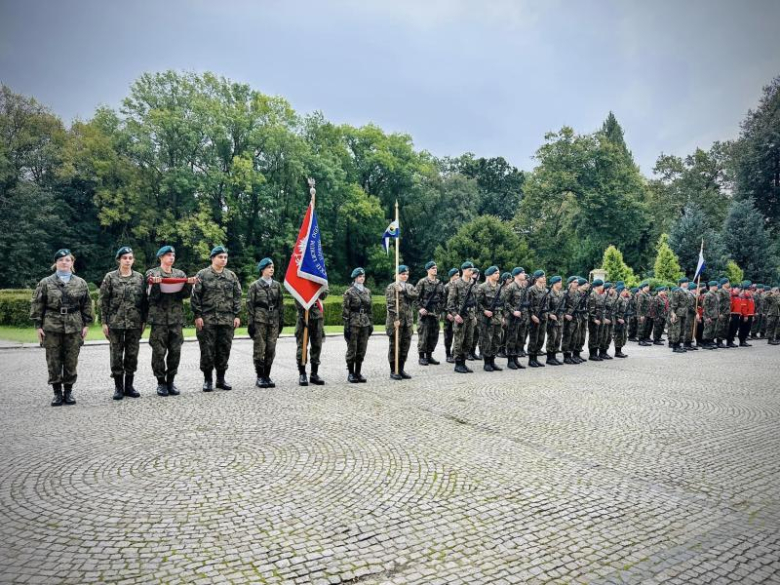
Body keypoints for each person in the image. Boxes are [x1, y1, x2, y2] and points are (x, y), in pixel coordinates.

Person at [30, 249, 94, 406]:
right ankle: (57, 393)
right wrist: (38, 326)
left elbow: (86, 304)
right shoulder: (45, 283)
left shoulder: (80, 283)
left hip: (74, 325)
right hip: (52, 326)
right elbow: (37, 304)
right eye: (60, 260)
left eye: (67, 260)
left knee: (71, 360)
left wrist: (86, 324)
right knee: (53, 360)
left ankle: (69, 392)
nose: (64, 262)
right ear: (55, 263)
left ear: (72, 263)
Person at [146, 245, 196, 396]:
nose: (171, 258)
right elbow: (151, 297)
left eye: (173, 255)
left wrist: (190, 283)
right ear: (161, 257)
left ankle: (171, 381)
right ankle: (161, 382)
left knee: (175, 351)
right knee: (159, 352)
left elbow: (184, 295)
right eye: (168, 255)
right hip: (159, 320)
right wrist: (155, 284)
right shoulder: (152, 273)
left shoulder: (179, 273)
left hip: (176, 320)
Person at [191, 246, 242, 392]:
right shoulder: (203, 274)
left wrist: (237, 315)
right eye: (220, 257)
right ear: (213, 258)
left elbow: (237, 296)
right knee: (207, 350)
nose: (223, 260)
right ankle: (208, 380)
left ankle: (221, 379)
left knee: (224, 349)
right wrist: (198, 315)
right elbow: (195, 297)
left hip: (227, 320)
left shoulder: (231, 276)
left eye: (225, 257)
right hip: (208, 320)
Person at [99, 246, 147, 400]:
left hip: (135, 323)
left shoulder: (140, 278)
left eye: (130, 258)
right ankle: (118, 388)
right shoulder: (110, 277)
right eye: (124, 258)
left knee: (132, 355)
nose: (127, 260)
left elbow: (145, 302)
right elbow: (103, 301)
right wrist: (104, 322)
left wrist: (144, 321)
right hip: (115, 323)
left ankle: (129, 386)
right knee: (116, 355)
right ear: (119, 260)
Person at [247, 258, 284, 388]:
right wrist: (250, 323)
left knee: (271, 349)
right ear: (262, 269)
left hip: (273, 320)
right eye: (269, 267)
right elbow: (250, 305)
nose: (271, 269)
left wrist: (281, 320)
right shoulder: (255, 286)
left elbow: (280, 304)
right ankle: (260, 377)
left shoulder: (277, 285)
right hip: (259, 321)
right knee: (259, 349)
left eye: (272, 267)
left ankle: (267, 375)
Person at [386, 265, 419, 380]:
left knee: (405, 346)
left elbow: (415, 295)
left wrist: (403, 290)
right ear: (397, 275)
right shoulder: (392, 287)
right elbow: (390, 305)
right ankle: (393, 370)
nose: (405, 276)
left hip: (408, 322)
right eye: (402, 274)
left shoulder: (409, 287)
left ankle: (401, 369)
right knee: (395, 346)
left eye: (406, 274)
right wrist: (395, 319)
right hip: (396, 322)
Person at [294, 285, 329, 386]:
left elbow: (324, 295)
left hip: (317, 315)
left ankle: (314, 374)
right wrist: (302, 314)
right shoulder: (302, 278)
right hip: (303, 315)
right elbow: (296, 295)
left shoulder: (319, 278)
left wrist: (316, 287)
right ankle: (302, 374)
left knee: (317, 346)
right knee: (302, 345)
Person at [343, 267, 373, 383]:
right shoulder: (349, 292)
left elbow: (370, 310)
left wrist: (370, 324)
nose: (362, 278)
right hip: (353, 323)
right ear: (355, 278)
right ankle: (351, 373)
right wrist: (346, 326)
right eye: (360, 276)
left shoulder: (367, 291)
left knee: (362, 348)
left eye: (363, 276)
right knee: (352, 349)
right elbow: (345, 310)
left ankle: (358, 372)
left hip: (365, 322)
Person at [447, 261, 478, 374]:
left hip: (470, 316)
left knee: (468, 340)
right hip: (461, 316)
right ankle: (458, 364)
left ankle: (463, 363)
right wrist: (455, 315)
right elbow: (450, 302)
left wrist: (475, 315)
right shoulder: (456, 283)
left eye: (472, 270)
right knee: (459, 340)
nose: (471, 271)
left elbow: (476, 301)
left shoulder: (474, 283)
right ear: (464, 270)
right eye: (469, 270)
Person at [415, 261, 445, 366]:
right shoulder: (422, 282)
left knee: (434, 335)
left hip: (435, 314)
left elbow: (443, 299)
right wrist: (420, 309)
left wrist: (440, 311)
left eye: (436, 267)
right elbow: (415, 298)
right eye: (432, 268)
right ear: (428, 270)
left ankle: (429, 355)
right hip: (425, 314)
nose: (435, 269)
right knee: (423, 335)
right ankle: (421, 357)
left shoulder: (439, 283)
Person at [476, 266, 505, 371]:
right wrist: (484, 311)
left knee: (497, 340)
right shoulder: (482, 287)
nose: (498, 275)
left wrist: (503, 316)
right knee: (486, 340)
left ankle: (492, 361)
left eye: (498, 273)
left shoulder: (500, 288)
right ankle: (487, 362)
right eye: (495, 273)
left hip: (497, 318)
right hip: (486, 319)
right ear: (489, 275)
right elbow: (477, 303)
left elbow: (503, 303)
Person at [502, 267, 528, 370]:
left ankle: (516, 359)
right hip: (512, 318)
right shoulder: (511, 287)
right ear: (516, 275)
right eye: (522, 273)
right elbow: (505, 302)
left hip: (522, 318)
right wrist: (513, 311)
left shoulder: (523, 286)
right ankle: (510, 361)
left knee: (520, 339)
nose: (524, 274)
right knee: (511, 339)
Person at [526, 270, 549, 367]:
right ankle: (531, 359)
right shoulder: (531, 290)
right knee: (533, 338)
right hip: (534, 317)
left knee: (541, 338)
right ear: (537, 278)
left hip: (543, 317)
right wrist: (532, 315)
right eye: (542, 276)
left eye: (544, 276)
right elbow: (528, 304)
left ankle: (536, 357)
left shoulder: (546, 290)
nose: (544, 278)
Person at [545, 275, 565, 366]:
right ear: (555, 283)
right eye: (560, 282)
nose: (561, 284)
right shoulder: (549, 294)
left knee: (558, 338)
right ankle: (549, 357)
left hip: (560, 319)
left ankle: (554, 356)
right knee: (552, 338)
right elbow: (545, 307)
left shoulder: (561, 293)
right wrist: (549, 315)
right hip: (552, 320)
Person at [442, 268, 460, 363]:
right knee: (448, 336)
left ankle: (455, 353)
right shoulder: (446, 287)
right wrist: (447, 313)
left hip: (458, 315)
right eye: (456, 275)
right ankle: (448, 354)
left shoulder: (459, 286)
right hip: (448, 315)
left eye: (459, 275)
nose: (458, 277)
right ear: (451, 276)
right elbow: (443, 302)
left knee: (458, 335)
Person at [587, 279, 605, 361]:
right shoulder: (592, 295)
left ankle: (596, 353)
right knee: (593, 336)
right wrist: (594, 319)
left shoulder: (599, 295)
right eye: (602, 285)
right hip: (594, 320)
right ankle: (592, 354)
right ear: (598, 286)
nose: (603, 287)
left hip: (600, 318)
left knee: (599, 336)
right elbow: (591, 309)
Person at [573, 277, 590, 363]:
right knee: (577, 336)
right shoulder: (576, 294)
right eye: (585, 284)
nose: (587, 285)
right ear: (580, 285)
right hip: (577, 317)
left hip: (583, 317)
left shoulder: (585, 294)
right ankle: (574, 354)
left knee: (582, 336)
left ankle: (578, 353)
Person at [599, 283, 615, 359]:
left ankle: (605, 351)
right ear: (607, 289)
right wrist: (603, 319)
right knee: (604, 336)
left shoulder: (610, 296)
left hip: (610, 318)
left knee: (609, 336)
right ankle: (602, 352)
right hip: (605, 318)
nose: (613, 290)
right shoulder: (603, 296)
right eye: (611, 288)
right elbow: (600, 309)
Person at [613, 283, 629, 358]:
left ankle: (620, 350)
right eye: (624, 290)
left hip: (623, 319)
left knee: (623, 335)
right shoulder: (618, 299)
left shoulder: (623, 299)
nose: (626, 292)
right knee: (618, 335)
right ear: (620, 291)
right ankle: (617, 352)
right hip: (618, 320)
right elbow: (615, 310)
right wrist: (618, 318)